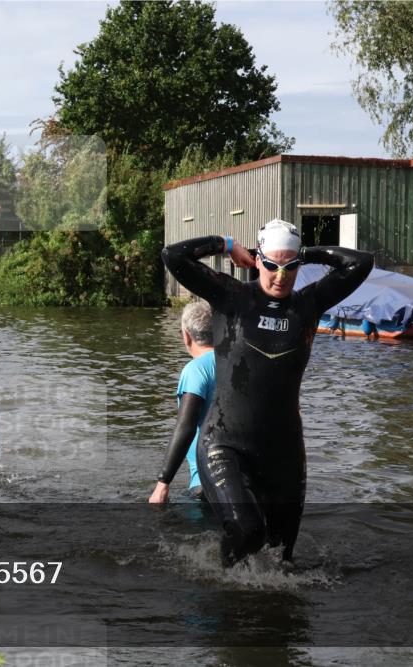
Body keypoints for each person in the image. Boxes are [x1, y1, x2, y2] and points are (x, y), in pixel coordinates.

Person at [161, 219, 373, 565]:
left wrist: (306, 252)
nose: (280, 275)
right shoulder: (232, 296)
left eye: (290, 267)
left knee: (282, 555)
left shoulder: (309, 303)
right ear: (258, 259)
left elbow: (360, 263)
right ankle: (219, 582)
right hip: (224, 443)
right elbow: (173, 256)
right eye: (272, 265)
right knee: (248, 532)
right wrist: (227, 244)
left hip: (283, 451)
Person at [149, 301, 215, 505]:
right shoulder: (238, 361)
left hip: (207, 482)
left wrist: (163, 483)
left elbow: (185, 427)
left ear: (185, 335)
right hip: (247, 480)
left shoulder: (195, 370)